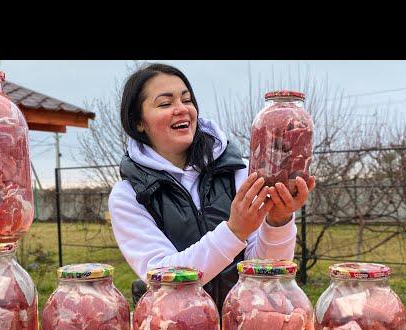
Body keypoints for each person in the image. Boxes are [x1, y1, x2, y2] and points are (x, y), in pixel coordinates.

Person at [108, 63, 315, 310]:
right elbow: (164, 280)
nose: (182, 109)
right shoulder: (130, 195)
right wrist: (234, 231)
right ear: (138, 122)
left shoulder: (239, 172)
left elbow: (265, 273)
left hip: (244, 324)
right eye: (165, 103)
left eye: (187, 100)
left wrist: (278, 221)